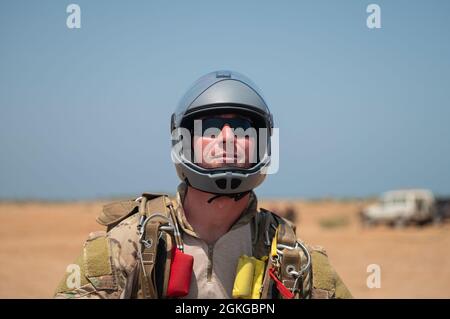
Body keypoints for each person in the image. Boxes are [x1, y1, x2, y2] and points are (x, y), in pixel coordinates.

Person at [54, 70, 352, 299]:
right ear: (183, 141)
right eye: (209, 127)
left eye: (242, 127)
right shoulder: (127, 246)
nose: (227, 137)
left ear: (261, 143)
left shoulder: (294, 261)